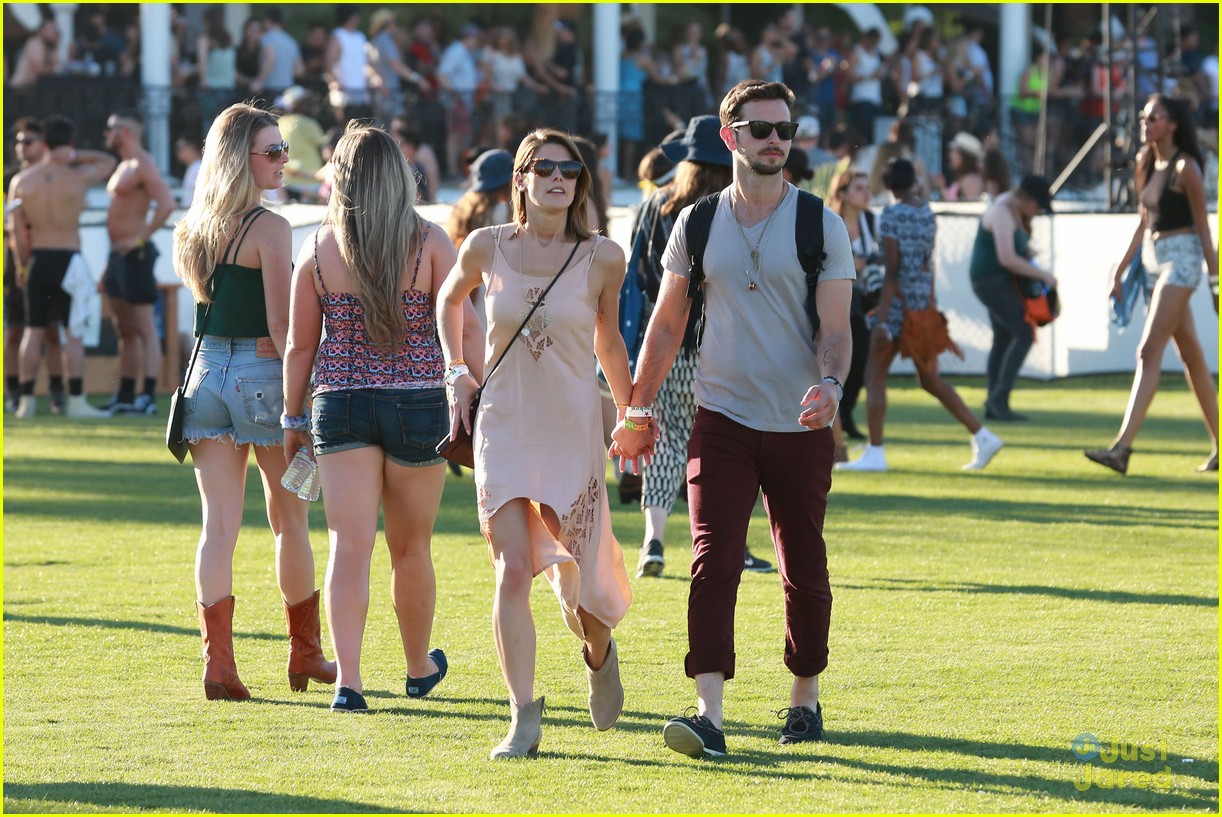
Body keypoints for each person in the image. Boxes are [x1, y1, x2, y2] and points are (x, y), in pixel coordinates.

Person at [612, 79, 855, 757]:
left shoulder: (820, 223)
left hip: (801, 421)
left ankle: (804, 700)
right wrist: (637, 407)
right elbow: (666, 325)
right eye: (761, 129)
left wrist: (832, 384)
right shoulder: (696, 222)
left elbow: (837, 328)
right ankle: (709, 713)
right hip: (720, 417)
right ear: (730, 136)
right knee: (712, 559)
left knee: (802, 563)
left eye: (785, 129)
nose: (776, 140)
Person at [436, 128, 634, 759]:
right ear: (520, 178)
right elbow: (447, 301)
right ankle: (523, 716)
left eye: (569, 171)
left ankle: (599, 654)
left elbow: (609, 343)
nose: (557, 179)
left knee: (583, 588)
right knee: (513, 569)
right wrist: (455, 372)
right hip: (503, 427)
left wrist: (631, 412)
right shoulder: (485, 246)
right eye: (544, 168)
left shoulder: (604, 257)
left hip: (572, 431)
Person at [282, 124, 478, 713]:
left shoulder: (318, 248)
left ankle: (349, 682)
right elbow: (467, 327)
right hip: (419, 402)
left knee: (348, 544)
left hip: (340, 402)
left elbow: (299, 346)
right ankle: (418, 667)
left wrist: (292, 417)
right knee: (411, 547)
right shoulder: (430, 242)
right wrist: (477, 391)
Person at [172, 103, 335, 700]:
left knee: (217, 527)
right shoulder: (270, 227)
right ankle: (305, 654)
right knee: (290, 521)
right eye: (272, 151)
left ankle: (219, 666)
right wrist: (304, 395)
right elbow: (282, 326)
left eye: (282, 150)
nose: (283, 160)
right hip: (262, 377)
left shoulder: (194, 226)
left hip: (204, 375)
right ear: (241, 159)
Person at [629, 115, 773, 580]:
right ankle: (731, 545)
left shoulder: (656, 206)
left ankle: (653, 539)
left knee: (666, 442)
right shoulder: (733, 211)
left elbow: (639, 274)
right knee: (724, 446)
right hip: (722, 345)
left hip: (666, 342)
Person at [839, 158, 1004, 473]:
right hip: (921, 304)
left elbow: (892, 270)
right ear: (913, 182)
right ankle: (982, 435)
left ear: (888, 184)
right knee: (930, 379)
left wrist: (882, 319)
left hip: (896, 306)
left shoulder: (891, 214)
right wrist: (929, 303)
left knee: (875, 376)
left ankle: (876, 452)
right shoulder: (927, 213)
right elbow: (927, 262)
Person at [1086, 94, 1219, 474]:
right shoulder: (1146, 160)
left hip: (1182, 261)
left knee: (1148, 351)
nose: (1146, 122)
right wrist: (1120, 270)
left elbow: (1204, 229)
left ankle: (1122, 448)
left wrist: (1215, 284)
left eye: (1154, 117)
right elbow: (1144, 221)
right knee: (1191, 357)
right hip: (1153, 261)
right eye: (1144, 117)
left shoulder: (1186, 167)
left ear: (1173, 124)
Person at [8, 116, 115, 420]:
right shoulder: (76, 176)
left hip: (38, 258)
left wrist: (22, 265)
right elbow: (108, 162)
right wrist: (76, 155)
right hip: (70, 258)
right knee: (73, 333)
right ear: (69, 142)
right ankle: (76, 400)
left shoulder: (22, 181)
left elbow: (17, 232)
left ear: (43, 143)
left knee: (34, 331)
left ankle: (26, 402)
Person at [101, 110, 176, 416]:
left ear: (126, 132)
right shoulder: (123, 164)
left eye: (112, 129)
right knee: (124, 329)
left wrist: (139, 239)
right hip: (117, 256)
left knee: (145, 327)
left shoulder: (144, 164)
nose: (107, 134)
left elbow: (167, 204)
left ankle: (147, 397)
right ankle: (125, 395)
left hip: (135, 256)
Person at [968, 174, 1058, 422]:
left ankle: (994, 402)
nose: (1038, 211)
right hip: (990, 281)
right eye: (1038, 205)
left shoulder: (1013, 209)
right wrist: (1043, 275)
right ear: (1026, 199)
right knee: (1024, 333)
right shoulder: (1002, 212)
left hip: (998, 281)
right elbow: (1006, 258)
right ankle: (998, 398)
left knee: (1004, 336)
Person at [4, 117, 64, 414]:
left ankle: (57, 393)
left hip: (47, 260)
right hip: (15, 264)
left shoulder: (59, 178)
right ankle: (14, 391)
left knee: (53, 331)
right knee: (15, 331)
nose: (21, 147)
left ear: (43, 144)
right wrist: (19, 263)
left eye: (27, 141)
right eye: (18, 142)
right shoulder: (10, 179)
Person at [825, 169, 878, 451]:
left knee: (860, 361)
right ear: (842, 193)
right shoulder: (831, 221)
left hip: (864, 299)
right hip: (838, 297)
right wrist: (851, 264)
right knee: (841, 357)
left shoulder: (871, 221)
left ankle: (845, 415)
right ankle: (836, 419)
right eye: (859, 188)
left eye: (867, 187)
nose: (866, 193)